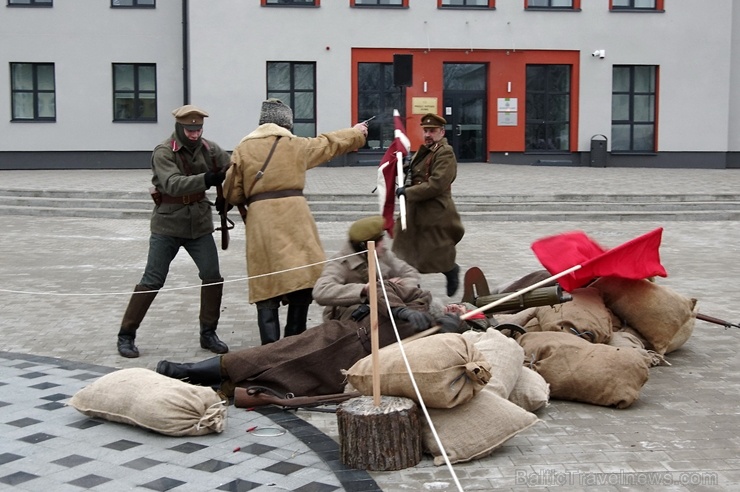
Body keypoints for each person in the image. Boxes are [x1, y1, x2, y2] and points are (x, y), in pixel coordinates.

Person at [156, 280, 470, 398]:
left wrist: (450, 327)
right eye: (456, 304)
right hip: (339, 334)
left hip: (349, 366)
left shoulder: (442, 332)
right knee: (270, 354)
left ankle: (205, 387)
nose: (455, 309)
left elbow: (427, 360)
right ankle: (188, 369)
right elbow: (382, 286)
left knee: (282, 382)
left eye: (461, 311)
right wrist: (399, 311)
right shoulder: (420, 295)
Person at [223, 98, 368, 345]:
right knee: (301, 279)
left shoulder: (243, 149)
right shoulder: (296, 145)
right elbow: (329, 143)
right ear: (286, 122)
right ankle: (294, 345)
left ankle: (270, 350)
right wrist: (356, 133)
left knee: (265, 284)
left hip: (261, 223)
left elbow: (233, 193)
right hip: (296, 220)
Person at [116, 105, 230, 358]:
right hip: (167, 225)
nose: (194, 134)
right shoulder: (164, 151)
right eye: (189, 129)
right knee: (152, 280)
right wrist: (207, 179)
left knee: (212, 276)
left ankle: (208, 333)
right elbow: (172, 184)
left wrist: (230, 195)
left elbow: (232, 169)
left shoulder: (210, 149)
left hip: (199, 225)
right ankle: (126, 335)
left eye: (198, 129)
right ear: (179, 127)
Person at [392, 113, 465, 298]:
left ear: (441, 132)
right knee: (404, 249)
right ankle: (411, 286)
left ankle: (451, 271)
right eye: (425, 130)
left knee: (437, 251)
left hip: (435, 211)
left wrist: (408, 192)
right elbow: (415, 173)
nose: (427, 134)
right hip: (414, 209)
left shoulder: (445, 152)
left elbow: (437, 184)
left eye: (432, 131)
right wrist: (403, 166)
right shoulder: (425, 150)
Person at [312, 215, 421, 322]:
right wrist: (364, 290)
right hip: (349, 319)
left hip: (385, 306)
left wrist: (398, 289)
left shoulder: (383, 254)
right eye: (380, 240)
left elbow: (409, 273)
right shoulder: (340, 263)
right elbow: (320, 291)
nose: (383, 245)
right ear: (365, 246)